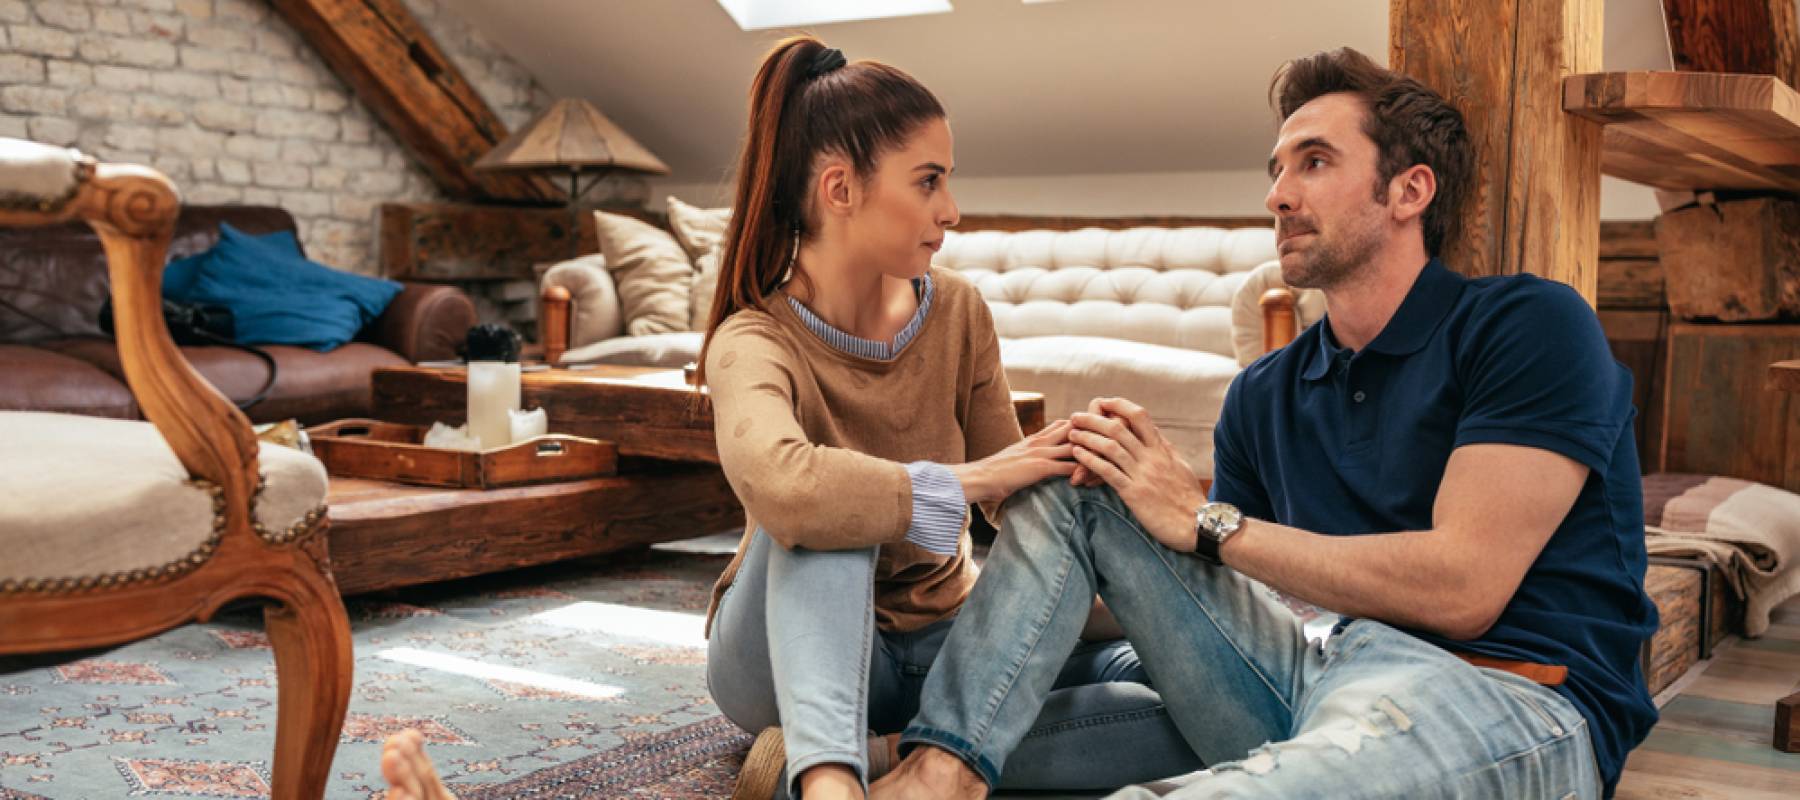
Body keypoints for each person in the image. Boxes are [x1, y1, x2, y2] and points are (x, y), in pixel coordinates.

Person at [378, 35, 1195, 800]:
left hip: (948, 641)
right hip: (785, 649)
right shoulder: (753, 338)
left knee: (1178, 700)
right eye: (929, 180)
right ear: (841, 189)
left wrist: (1109, 527)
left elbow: (1010, 504)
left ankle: (898, 757)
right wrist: (978, 477)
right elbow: (789, 489)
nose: (953, 210)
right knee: (821, 512)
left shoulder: (960, 313)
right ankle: (830, 779)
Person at [872, 46, 1658, 800]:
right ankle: (935, 767)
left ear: (1409, 191)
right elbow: (1227, 589)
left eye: (1314, 162)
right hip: (1310, 670)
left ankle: (866, 761)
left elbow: (1464, 589)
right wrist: (1041, 589)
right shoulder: (1266, 393)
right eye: (1277, 169)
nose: (1278, 195)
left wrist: (1204, 521)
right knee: (1091, 475)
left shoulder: (1527, 325)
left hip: (1502, 695)